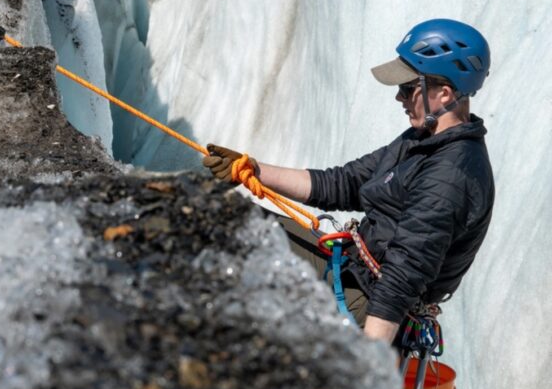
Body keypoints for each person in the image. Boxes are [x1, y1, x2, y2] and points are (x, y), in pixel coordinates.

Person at [203, 19, 495, 344]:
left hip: (366, 304)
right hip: (351, 272)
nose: (399, 97)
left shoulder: (450, 176)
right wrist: (252, 171)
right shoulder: (421, 141)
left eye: (408, 87)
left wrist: (369, 367)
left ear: (443, 94)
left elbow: (403, 276)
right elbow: (345, 183)